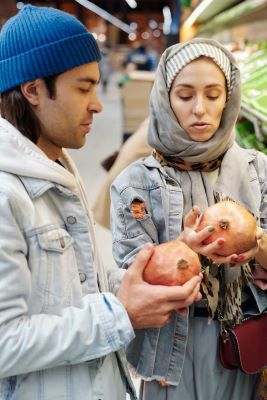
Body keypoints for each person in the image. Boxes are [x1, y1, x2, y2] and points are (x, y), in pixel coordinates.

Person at [0, 6, 204, 400]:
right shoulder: (8, 194)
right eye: (83, 87)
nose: (98, 103)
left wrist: (153, 274)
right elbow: (6, 342)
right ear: (33, 90)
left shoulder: (55, 165)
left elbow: (69, 286)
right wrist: (122, 314)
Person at [110, 37, 267, 399]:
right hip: (170, 349)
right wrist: (183, 249)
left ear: (229, 99)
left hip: (242, 342)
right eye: (184, 96)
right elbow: (128, 280)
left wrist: (255, 241)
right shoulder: (137, 184)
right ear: (165, 100)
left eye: (213, 96)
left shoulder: (258, 170)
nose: (200, 109)